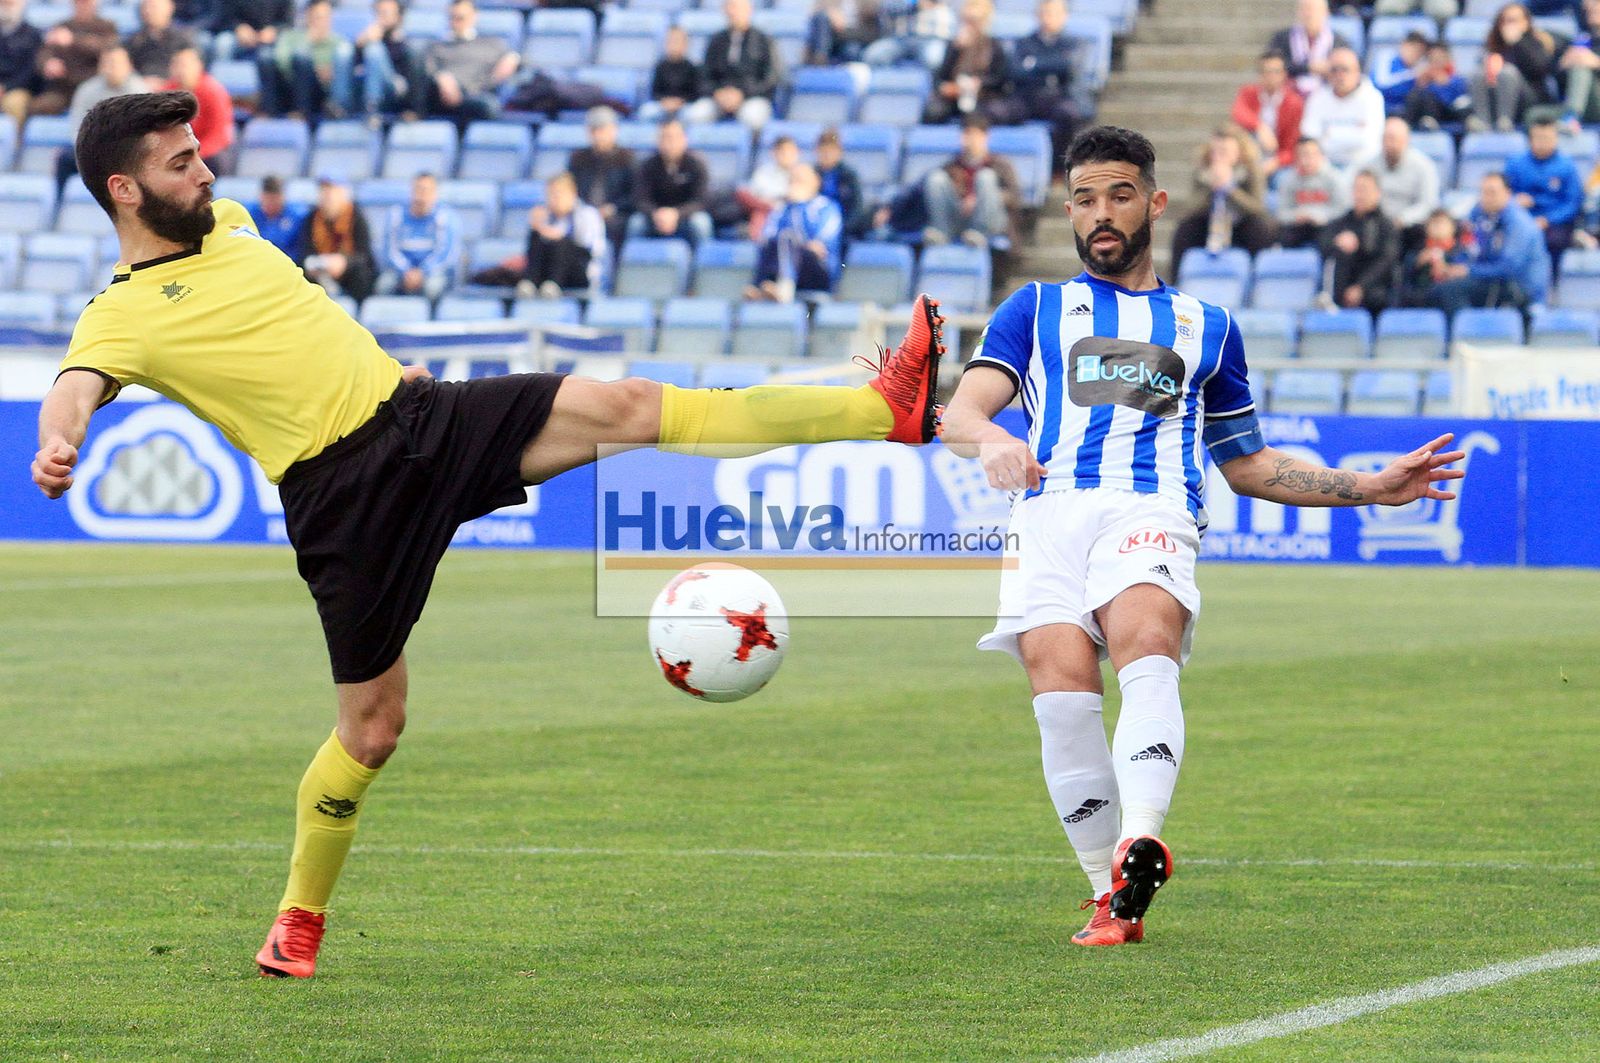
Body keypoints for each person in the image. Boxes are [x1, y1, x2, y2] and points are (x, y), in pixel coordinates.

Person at [37, 89, 947, 978]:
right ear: (125, 189)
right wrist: (58, 438)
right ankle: (298, 918)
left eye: (197, 152)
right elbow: (76, 383)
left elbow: (296, 330)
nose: (206, 169)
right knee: (374, 728)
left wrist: (385, 373)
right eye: (181, 162)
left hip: (423, 414)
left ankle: (885, 409)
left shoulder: (232, 220)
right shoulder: (123, 313)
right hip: (342, 501)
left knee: (629, 404)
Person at [938, 123, 1465, 949]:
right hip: (1045, 515)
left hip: (1150, 509)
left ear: (1154, 202)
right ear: (1071, 213)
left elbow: (1248, 464)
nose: (1101, 214)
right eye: (1084, 199)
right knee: (1063, 696)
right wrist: (994, 438)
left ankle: (1142, 831)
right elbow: (963, 408)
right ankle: (1112, 895)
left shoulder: (1205, 325)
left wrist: (1368, 486)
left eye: (1118, 195)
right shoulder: (1032, 306)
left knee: (1146, 636)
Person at [1428, 171, 1552, 314]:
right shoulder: (1480, 214)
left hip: (1519, 288)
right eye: (1483, 192)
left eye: (1492, 193)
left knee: (1450, 291)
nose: (1486, 198)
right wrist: (1451, 267)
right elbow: (1470, 248)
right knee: (1436, 287)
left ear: (1507, 193)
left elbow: (1509, 268)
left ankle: (1468, 331)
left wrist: (1469, 270)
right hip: (1491, 278)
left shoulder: (1519, 224)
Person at [1169, 125, 1274, 265]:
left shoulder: (1251, 171)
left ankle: (1257, 274)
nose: (1218, 157)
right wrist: (1211, 189)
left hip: (1241, 223)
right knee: (1185, 229)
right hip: (1210, 223)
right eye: (1215, 152)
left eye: (1224, 152)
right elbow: (1191, 207)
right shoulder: (1202, 173)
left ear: (1239, 153)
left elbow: (1257, 207)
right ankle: (1177, 279)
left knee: (1260, 228)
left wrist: (1231, 189)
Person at [747, 163, 844, 301]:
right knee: (776, 243)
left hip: (817, 268)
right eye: (793, 180)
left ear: (816, 181)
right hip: (785, 260)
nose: (795, 184)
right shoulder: (782, 208)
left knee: (789, 239)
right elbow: (767, 235)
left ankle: (783, 289)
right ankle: (762, 288)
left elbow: (820, 242)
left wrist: (798, 205)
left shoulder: (827, 207)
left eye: (801, 180)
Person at [922, 113, 1020, 248]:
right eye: (967, 134)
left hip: (992, 218)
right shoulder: (952, 166)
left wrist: (981, 198)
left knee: (985, 177)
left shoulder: (1000, 164)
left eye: (976, 135)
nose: (971, 140)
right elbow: (919, 187)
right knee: (936, 178)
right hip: (961, 217)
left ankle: (980, 233)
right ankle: (941, 232)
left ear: (985, 137)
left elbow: (1015, 196)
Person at [1012, 0, 1089, 168]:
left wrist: (1034, 64)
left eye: (1053, 13)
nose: (1048, 18)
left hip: (1058, 97)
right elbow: (1016, 70)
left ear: (1064, 16)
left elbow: (1069, 66)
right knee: (995, 113)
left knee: (1069, 115)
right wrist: (1054, 64)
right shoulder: (1024, 42)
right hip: (1028, 97)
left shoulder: (1074, 43)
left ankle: (1061, 168)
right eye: (1044, 13)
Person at [686, 0, 781, 131]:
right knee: (696, 115)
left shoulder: (763, 40)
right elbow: (704, 75)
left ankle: (751, 150)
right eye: (730, 7)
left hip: (752, 97)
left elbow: (771, 78)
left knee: (752, 117)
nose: (733, 12)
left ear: (749, 10)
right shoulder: (716, 41)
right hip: (718, 97)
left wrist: (742, 94)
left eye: (737, 7)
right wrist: (718, 93)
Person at [420, 0, 519, 125]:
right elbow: (426, 70)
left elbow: (525, 64)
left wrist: (513, 58)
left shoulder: (492, 44)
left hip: (477, 95)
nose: (454, 23)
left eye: (460, 18)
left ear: (474, 17)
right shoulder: (436, 47)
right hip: (442, 98)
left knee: (489, 105)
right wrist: (440, 76)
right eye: (452, 18)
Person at [1473, 2, 1566, 131]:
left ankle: (1505, 121)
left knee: (1507, 72)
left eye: (1513, 20)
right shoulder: (1492, 47)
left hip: (1529, 99)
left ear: (1526, 23)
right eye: (1504, 21)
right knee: (1478, 74)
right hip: (1495, 98)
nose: (1508, 25)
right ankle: (1482, 122)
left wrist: (1518, 43)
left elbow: (1540, 69)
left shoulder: (1535, 42)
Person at [1505, 116, 1583, 266]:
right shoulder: (1515, 163)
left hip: (1554, 223)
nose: (1542, 142)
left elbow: (1572, 204)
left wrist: (1548, 219)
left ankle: (1552, 282)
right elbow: (1505, 193)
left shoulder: (1566, 166)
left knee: (1554, 240)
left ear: (1555, 139)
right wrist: (1515, 200)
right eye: (1538, 137)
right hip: (1522, 218)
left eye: (1547, 138)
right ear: (1530, 139)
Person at [925, 0, 1017, 126]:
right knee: (933, 111)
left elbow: (1000, 78)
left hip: (983, 97)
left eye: (975, 21)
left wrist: (979, 84)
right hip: (954, 96)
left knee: (980, 114)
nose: (970, 25)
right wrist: (957, 51)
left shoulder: (994, 45)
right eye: (968, 21)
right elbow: (941, 76)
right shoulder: (954, 46)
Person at [1320, 169, 1399, 315]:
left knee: (1379, 297)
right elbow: (1323, 244)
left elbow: (1387, 260)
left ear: (1377, 193)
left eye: (1365, 189)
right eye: (1357, 189)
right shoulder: (1342, 223)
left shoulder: (1386, 226)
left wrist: (1360, 287)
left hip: (1375, 288)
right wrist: (1337, 241)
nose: (1360, 194)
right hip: (1343, 286)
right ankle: (1331, 302)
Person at [260, 0, 354, 121]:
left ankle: (302, 113)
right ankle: (269, 113)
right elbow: (280, 61)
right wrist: (308, 43)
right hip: (290, 86)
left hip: (319, 93)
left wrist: (332, 72)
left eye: (327, 17)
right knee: (269, 57)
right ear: (308, 17)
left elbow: (345, 71)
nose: (323, 22)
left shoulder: (338, 42)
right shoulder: (291, 36)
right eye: (318, 17)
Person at [518, 170, 607, 297]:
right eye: (550, 195)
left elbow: (593, 251)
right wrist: (536, 227)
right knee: (537, 238)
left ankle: (554, 284)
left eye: (558, 194)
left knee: (562, 244)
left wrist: (561, 238)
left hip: (579, 273)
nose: (554, 200)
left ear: (572, 193)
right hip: (546, 271)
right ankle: (530, 282)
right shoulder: (547, 216)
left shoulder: (588, 215)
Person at [1357, 116, 1440, 251]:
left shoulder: (1424, 166)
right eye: (1386, 139)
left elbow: (1428, 204)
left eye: (1394, 139)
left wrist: (1402, 219)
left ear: (1406, 140)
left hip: (1407, 226)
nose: (1390, 144)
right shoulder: (1369, 165)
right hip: (1374, 222)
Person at [1298, 46, 1385, 171]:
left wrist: (1330, 135)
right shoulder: (1317, 98)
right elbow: (1310, 139)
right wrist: (1351, 134)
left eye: (1345, 69)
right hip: (1324, 168)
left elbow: (1367, 141)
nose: (1339, 75)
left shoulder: (1372, 98)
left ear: (1357, 71)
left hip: (1362, 167)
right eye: (1334, 70)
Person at [628, 118, 713, 245]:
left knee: (701, 223)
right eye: (664, 138)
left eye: (674, 138)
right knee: (636, 223)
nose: (669, 143)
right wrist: (656, 214)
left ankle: (704, 262)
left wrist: (676, 214)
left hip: (686, 216)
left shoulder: (697, 165)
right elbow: (640, 199)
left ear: (684, 139)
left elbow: (701, 200)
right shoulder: (647, 165)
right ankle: (633, 262)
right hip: (655, 216)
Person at [377, 171, 459, 301]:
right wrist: (406, 271)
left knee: (433, 287)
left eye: (426, 191)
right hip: (401, 272)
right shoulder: (395, 215)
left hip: (432, 273)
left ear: (435, 194)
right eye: (417, 189)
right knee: (384, 285)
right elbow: (389, 251)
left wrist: (422, 272)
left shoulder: (445, 217)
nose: (421, 196)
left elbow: (445, 254)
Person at [29, 0, 119, 117]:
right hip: (63, 88)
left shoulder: (106, 27)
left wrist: (74, 40)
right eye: (78, 2)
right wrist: (47, 63)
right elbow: (45, 51)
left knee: (107, 110)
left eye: (86, 2)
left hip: (94, 87)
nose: (82, 5)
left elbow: (108, 49)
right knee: (35, 107)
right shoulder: (62, 25)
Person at [296, 173, 377, 300]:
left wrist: (345, 262)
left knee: (362, 274)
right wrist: (315, 263)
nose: (327, 196)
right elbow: (304, 251)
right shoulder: (311, 219)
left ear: (342, 194)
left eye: (332, 191)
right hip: (320, 271)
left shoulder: (356, 217)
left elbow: (365, 255)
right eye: (323, 191)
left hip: (349, 273)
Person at [158, 47, 232, 174]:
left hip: (206, 153)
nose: (181, 70)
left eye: (185, 65)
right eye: (176, 64)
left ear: (199, 65)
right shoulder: (165, 93)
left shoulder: (213, 92)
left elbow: (219, 136)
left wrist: (192, 154)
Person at [568, 105, 634, 246]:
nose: (598, 136)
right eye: (594, 131)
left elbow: (634, 194)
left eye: (602, 130)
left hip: (615, 214)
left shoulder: (627, 158)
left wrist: (614, 208)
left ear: (614, 130)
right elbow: (570, 188)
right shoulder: (578, 158)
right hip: (583, 212)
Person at [1231, 51, 1304, 178]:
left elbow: (1292, 146)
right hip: (1251, 155)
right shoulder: (1248, 93)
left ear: (1284, 75)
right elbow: (1238, 112)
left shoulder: (1294, 103)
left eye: (1276, 72)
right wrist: (1260, 127)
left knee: (1283, 179)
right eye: (1266, 72)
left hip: (1278, 159)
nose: (1271, 77)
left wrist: (1276, 162)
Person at [1266, 0, 1351, 96]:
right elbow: (1273, 66)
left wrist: (1329, 68)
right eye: (1304, 9)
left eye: (1313, 9)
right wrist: (1308, 68)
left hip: (1328, 96)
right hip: (1289, 96)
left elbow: (1348, 70)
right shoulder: (1282, 38)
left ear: (1326, 12)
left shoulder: (1339, 41)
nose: (1309, 14)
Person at [1275, 136, 1347, 248]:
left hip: (1326, 225)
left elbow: (1342, 210)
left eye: (1309, 155)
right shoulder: (1288, 180)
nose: (1304, 161)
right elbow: (1281, 213)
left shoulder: (1335, 178)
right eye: (1300, 156)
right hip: (1298, 225)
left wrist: (1321, 217)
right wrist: (1296, 216)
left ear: (1320, 156)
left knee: (1332, 237)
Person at [354, 0, 418, 120]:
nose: (380, 18)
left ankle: (372, 108)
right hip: (365, 90)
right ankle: (344, 106)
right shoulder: (368, 42)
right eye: (378, 13)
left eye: (386, 13)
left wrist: (380, 41)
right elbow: (354, 68)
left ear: (398, 17)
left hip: (394, 92)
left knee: (374, 50)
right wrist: (359, 46)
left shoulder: (406, 44)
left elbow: (405, 77)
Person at [1401, 207, 1469, 306]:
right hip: (1421, 302)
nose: (1438, 227)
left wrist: (1447, 267)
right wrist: (1416, 263)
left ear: (1453, 227)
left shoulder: (1463, 252)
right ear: (1426, 228)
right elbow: (1405, 283)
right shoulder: (1416, 253)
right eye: (1434, 223)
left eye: (1442, 223)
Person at [738, 134, 801, 238]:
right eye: (781, 151)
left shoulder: (804, 172)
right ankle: (759, 245)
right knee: (756, 209)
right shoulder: (764, 171)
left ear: (797, 153)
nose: (786, 155)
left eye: (789, 151)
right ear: (774, 153)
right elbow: (753, 193)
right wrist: (770, 204)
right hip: (766, 208)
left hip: (793, 211)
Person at [861, 0, 953, 68]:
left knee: (934, 60)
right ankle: (888, 88)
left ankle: (934, 91)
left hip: (932, 37)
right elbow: (887, 7)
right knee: (873, 56)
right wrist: (914, 4)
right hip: (900, 38)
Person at [1404, 41, 1472, 130]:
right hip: (1429, 113)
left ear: (1447, 58)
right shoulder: (1424, 79)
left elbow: (1455, 101)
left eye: (1439, 58)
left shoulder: (1456, 80)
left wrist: (1442, 84)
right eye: (1433, 58)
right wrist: (1423, 82)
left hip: (1453, 113)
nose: (1436, 62)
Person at [638, 25, 698, 122]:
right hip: (663, 105)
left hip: (685, 106)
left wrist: (680, 102)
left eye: (677, 41)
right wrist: (664, 102)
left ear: (686, 44)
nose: (674, 45)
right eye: (671, 41)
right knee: (646, 112)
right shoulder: (660, 66)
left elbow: (696, 93)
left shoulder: (693, 67)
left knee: (692, 114)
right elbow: (655, 92)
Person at [815, 126, 867, 238]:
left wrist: (841, 229)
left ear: (839, 152)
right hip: (815, 230)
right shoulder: (811, 175)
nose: (827, 155)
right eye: (823, 151)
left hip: (844, 231)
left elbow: (857, 209)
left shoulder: (849, 176)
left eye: (831, 151)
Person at [0, 0, 43, 128]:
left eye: (10, 3)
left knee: (15, 103)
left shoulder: (32, 34)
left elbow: (31, 71)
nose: (6, 7)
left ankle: (15, 145)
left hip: (18, 88)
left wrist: (5, 88)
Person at [125, 0, 193, 81]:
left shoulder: (184, 39)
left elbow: (190, 69)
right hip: (139, 87)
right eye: (145, 7)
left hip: (173, 87)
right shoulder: (133, 40)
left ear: (169, 8)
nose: (148, 11)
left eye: (154, 7)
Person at [1559, 0, 1600, 127]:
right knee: (1534, 115)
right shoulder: (1582, 41)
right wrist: (1563, 66)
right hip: (1585, 103)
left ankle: (1572, 117)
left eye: (1596, 5)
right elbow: (1560, 84)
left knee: (1581, 67)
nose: (1590, 7)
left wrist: (1596, 63)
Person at [210, 0, 291, 62]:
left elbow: (287, 22)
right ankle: (220, 82)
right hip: (238, 34)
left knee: (268, 55)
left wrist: (275, 29)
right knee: (224, 43)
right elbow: (223, 15)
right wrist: (238, 27)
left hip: (270, 37)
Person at [806, 0, 883, 64]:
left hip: (858, 36)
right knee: (821, 17)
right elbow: (814, 13)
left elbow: (873, 12)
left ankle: (820, 58)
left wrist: (843, 23)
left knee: (851, 50)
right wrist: (830, 11)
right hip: (833, 37)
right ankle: (820, 57)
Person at [249, 173, 307, 256]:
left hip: (286, 264)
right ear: (261, 196)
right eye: (268, 198)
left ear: (283, 197)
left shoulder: (296, 218)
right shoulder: (251, 214)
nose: (271, 202)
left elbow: (300, 250)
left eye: (275, 198)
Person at [1372, 30, 1428, 115]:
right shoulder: (1387, 55)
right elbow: (1381, 84)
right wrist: (1412, 74)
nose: (1416, 55)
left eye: (1420, 53)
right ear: (1404, 45)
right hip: (1380, 107)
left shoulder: (1419, 66)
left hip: (1404, 110)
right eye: (1414, 50)